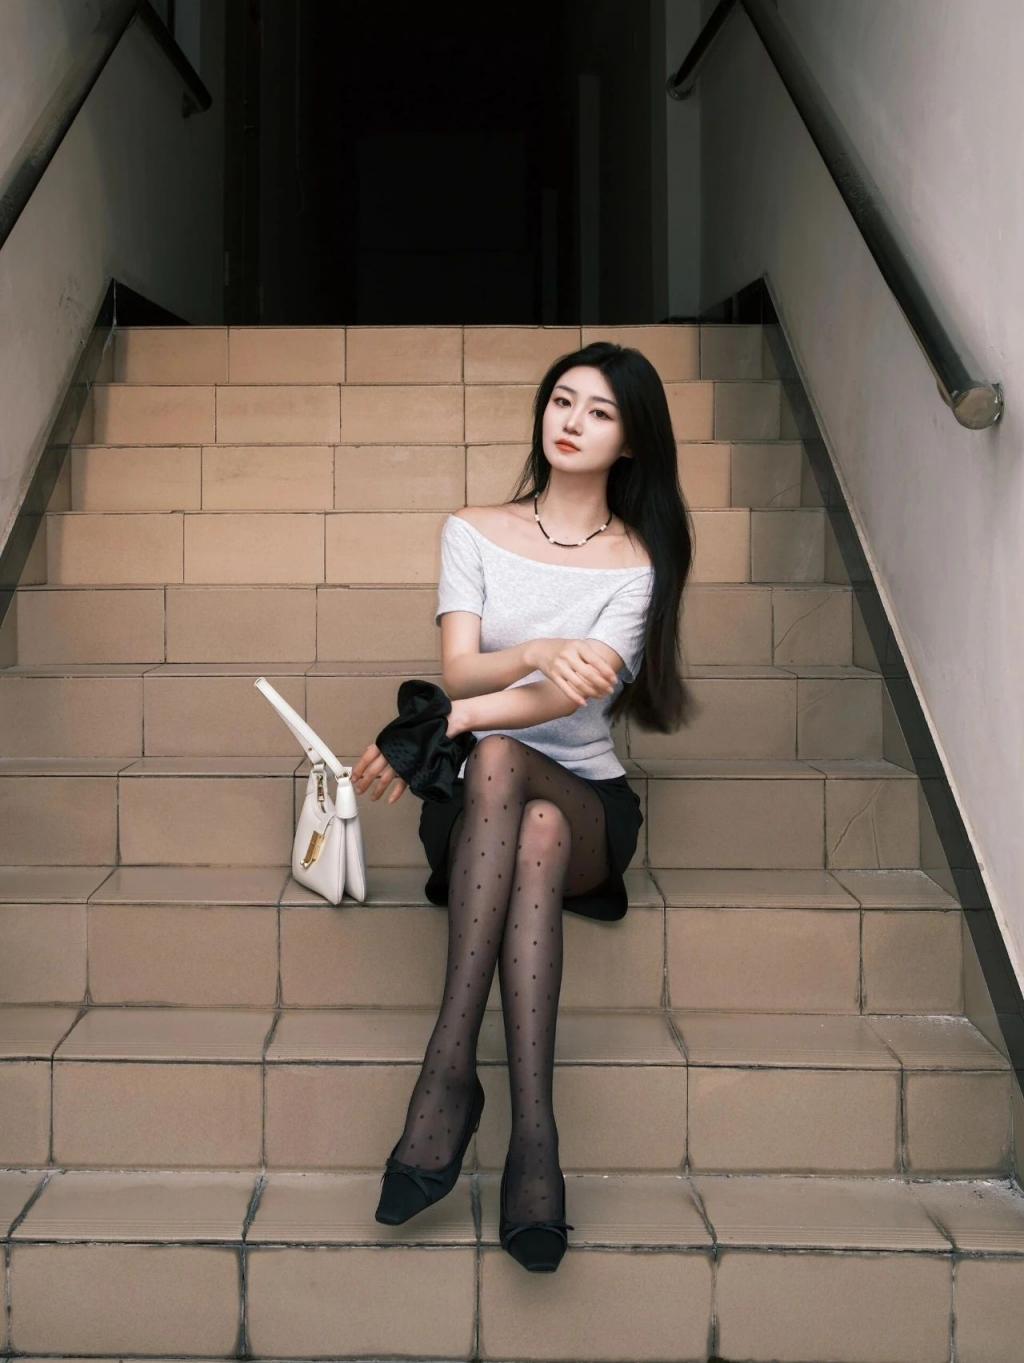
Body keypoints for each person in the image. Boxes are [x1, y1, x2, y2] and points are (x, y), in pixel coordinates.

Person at [351, 339, 696, 1271]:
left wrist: (455, 720)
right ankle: (534, 1133)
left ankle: (449, 1072)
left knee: (515, 768)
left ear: (631, 441)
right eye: (562, 400)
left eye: (600, 412)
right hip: (484, 811)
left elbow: (561, 698)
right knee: (517, 804)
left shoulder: (637, 564)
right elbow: (463, 665)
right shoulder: (473, 530)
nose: (572, 421)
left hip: (588, 804)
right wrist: (538, 646)